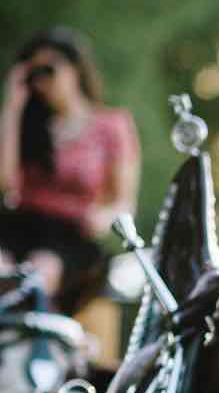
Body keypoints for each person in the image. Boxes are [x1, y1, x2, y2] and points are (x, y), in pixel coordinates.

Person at [0, 27, 140, 314]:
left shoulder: (112, 125)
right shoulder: (30, 126)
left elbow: (123, 202)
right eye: (33, 74)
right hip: (19, 223)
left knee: (36, 277)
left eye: (49, 69)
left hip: (70, 235)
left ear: (74, 67)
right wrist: (13, 107)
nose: (42, 81)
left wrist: (102, 217)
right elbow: (5, 182)